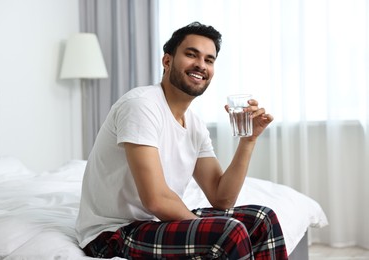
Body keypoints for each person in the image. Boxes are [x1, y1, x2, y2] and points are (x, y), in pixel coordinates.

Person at [76, 21, 288, 259]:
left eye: (209, 59)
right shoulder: (141, 106)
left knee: (262, 219)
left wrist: (248, 141)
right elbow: (155, 200)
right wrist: (203, 226)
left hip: (155, 223)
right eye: (191, 54)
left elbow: (221, 198)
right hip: (113, 232)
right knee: (229, 232)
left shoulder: (194, 123)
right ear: (167, 61)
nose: (201, 64)